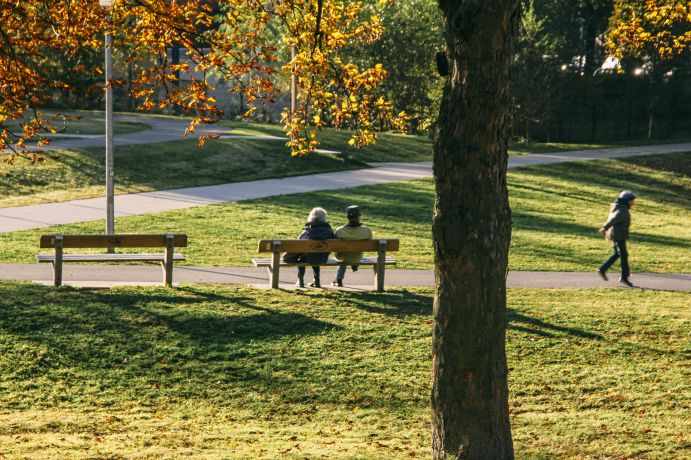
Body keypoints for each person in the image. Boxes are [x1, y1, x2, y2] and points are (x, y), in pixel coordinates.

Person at [284, 207, 334, 288]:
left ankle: (300, 282)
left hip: (307, 258)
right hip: (323, 258)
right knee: (316, 255)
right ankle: (317, 281)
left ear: (311, 217)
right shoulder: (329, 230)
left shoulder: (307, 230)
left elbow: (298, 244)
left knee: (302, 258)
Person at [597, 190, 636, 287]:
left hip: (617, 234)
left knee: (617, 254)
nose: (633, 202)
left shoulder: (620, 207)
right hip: (619, 235)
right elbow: (612, 220)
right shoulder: (622, 210)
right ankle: (624, 277)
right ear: (627, 200)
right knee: (623, 255)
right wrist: (604, 228)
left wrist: (607, 232)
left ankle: (602, 269)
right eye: (632, 200)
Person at [331, 205, 372, 287]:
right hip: (357, 256)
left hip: (342, 256)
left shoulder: (340, 230)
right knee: (353, 254)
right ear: (359, 216)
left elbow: (334, 245)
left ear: (347, 217)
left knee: (344, 257)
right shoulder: (366, 230)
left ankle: (339, 279)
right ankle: (354, 265)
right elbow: (370, 240)